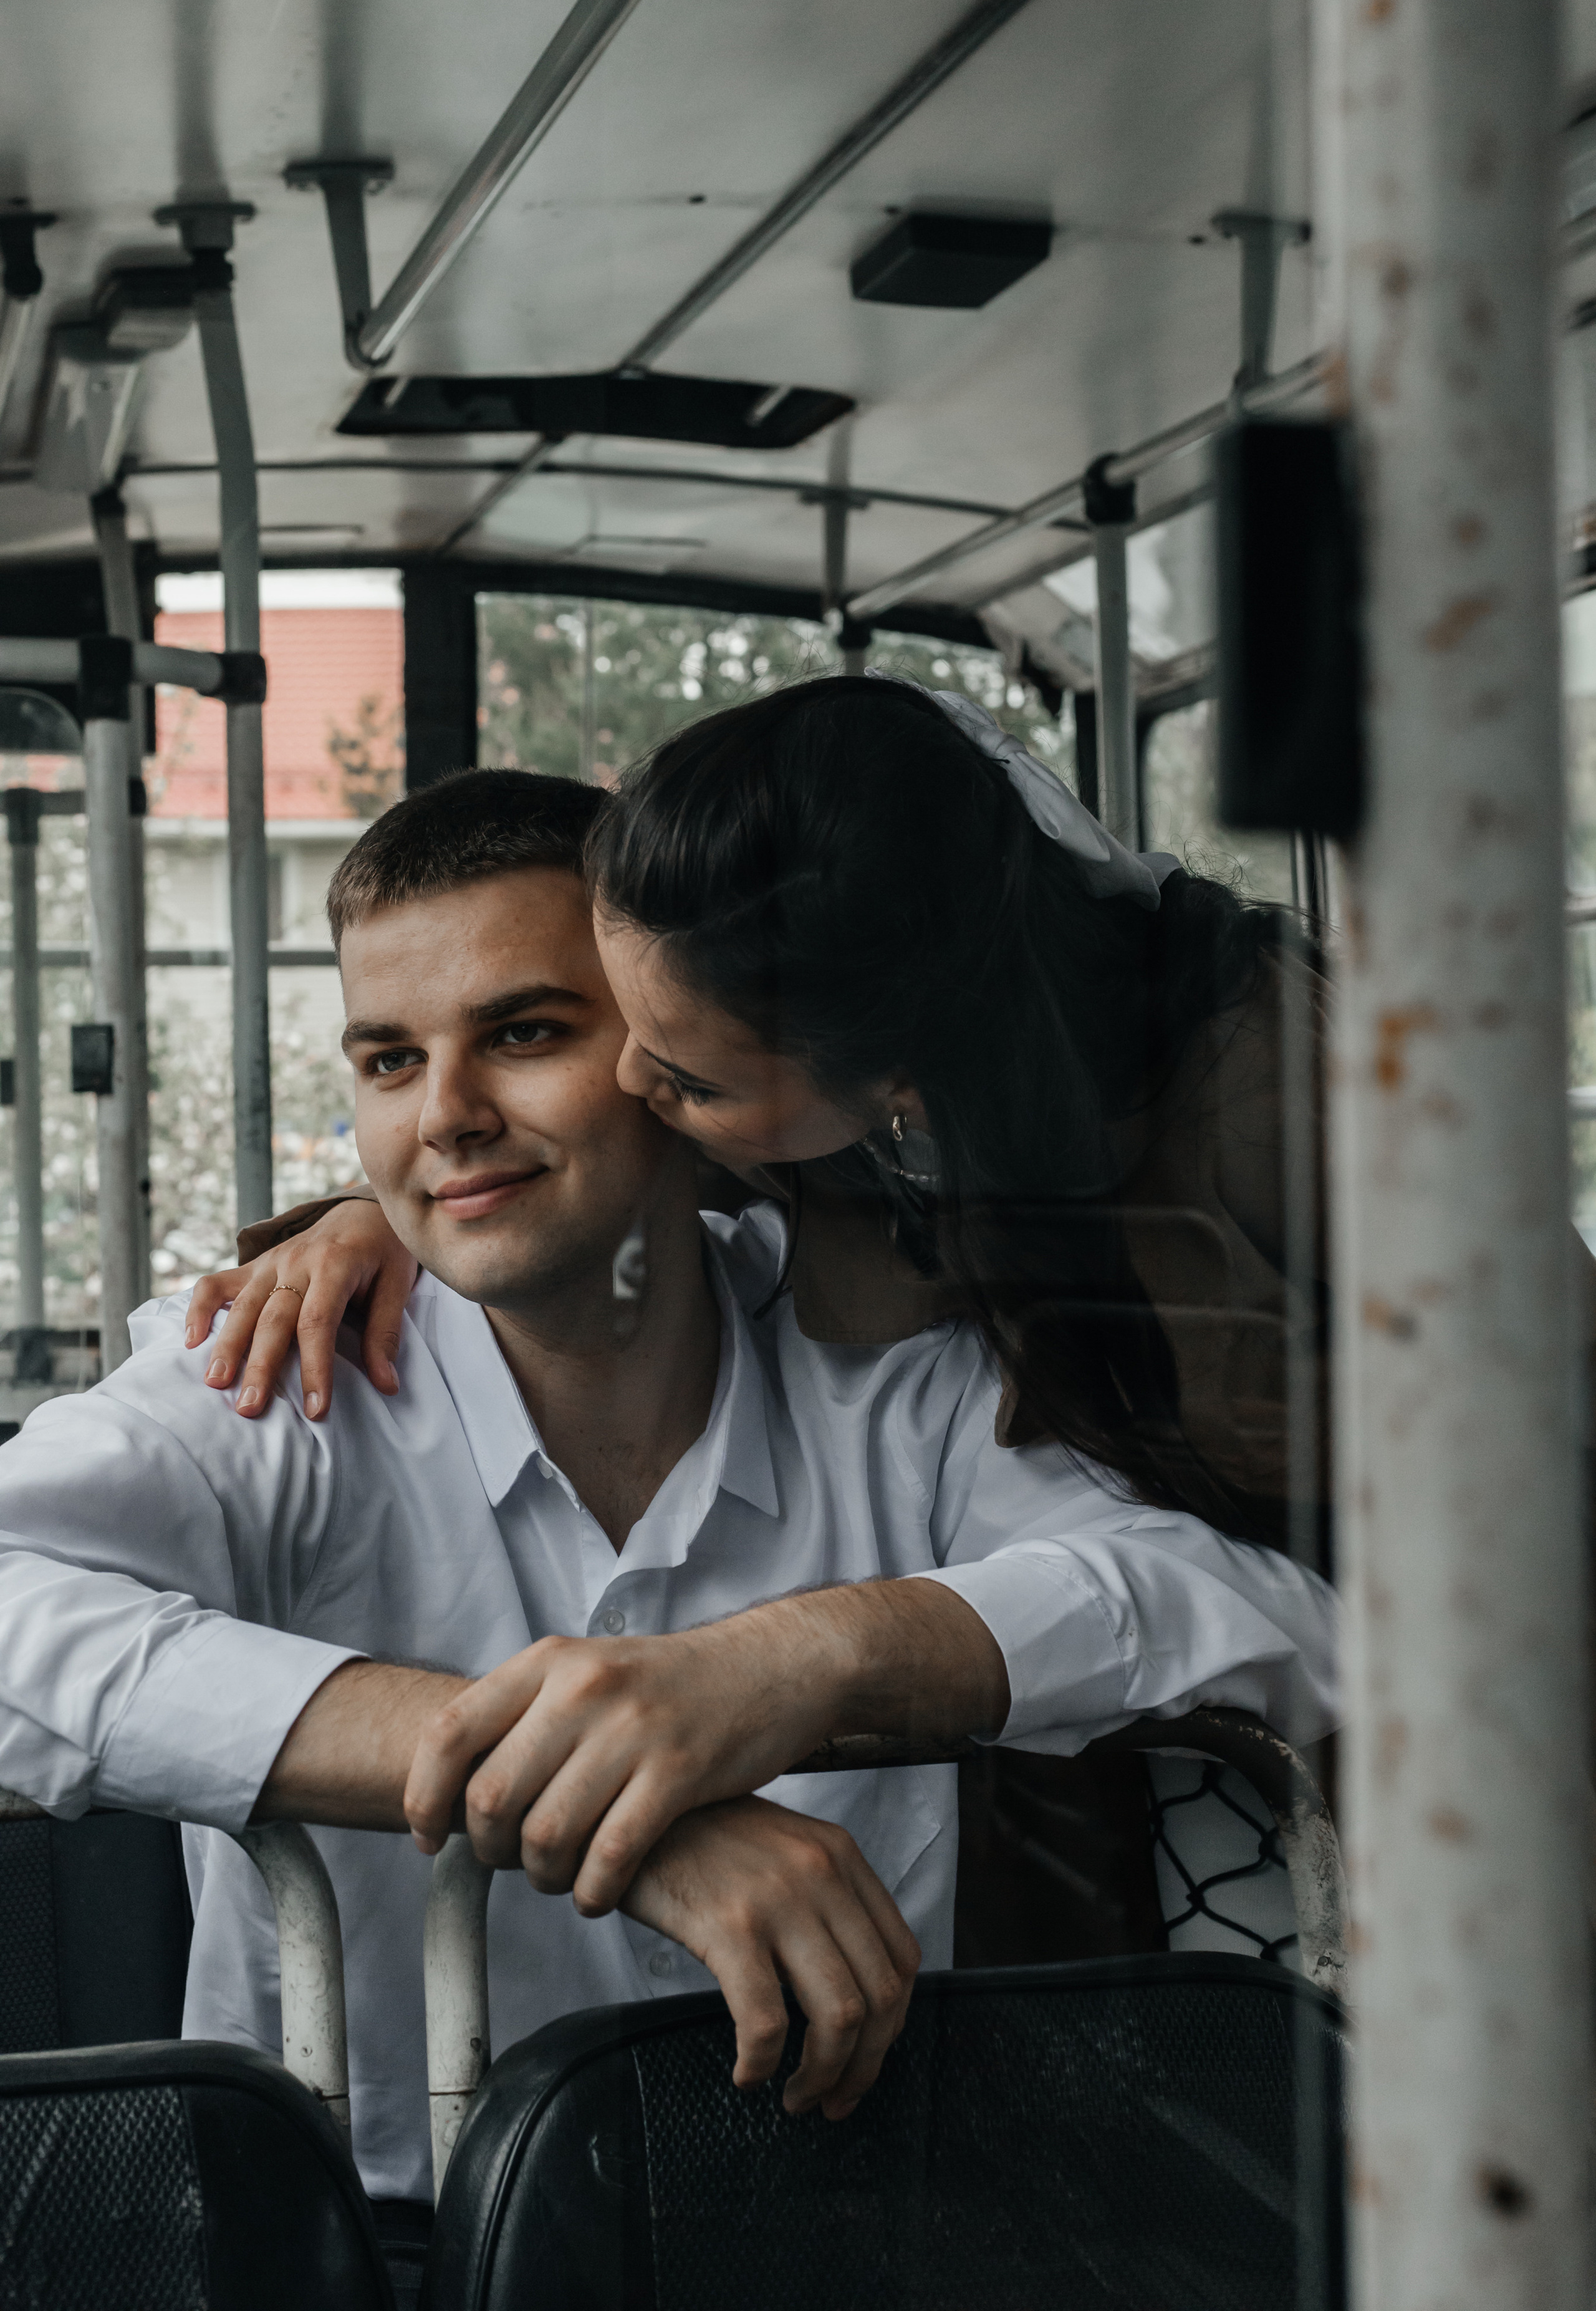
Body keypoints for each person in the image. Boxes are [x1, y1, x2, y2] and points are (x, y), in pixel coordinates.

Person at [0, 768, 1337, 2211]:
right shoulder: (277, 1374)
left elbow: (1278, 1622)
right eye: (387, 1060)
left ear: (674, 1057)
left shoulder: (899, 1375)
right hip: (370, 2243)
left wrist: (805, 1663)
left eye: (523, 1034)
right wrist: (608, 1806)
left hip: (834, 2243)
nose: (445, 1115)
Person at [206, 673, 1328, 1556]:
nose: (631, 1088)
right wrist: (376, 1218)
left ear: (896, 1084)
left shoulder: (1299, 1123)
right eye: (392, 1059)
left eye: (691, 1082)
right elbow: (570, 1171)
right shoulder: (809, 1089)